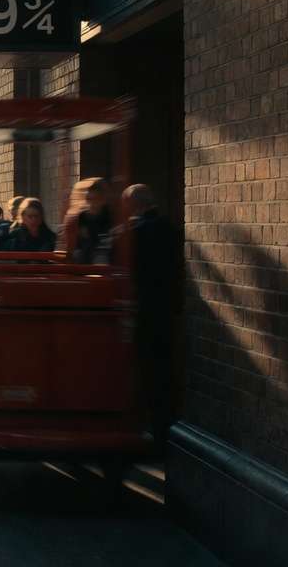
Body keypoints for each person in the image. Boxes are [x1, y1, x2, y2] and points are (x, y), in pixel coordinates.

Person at [122, 184, 180, 445]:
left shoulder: (135, 233)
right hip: (167, 311)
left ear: (134, 205)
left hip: (142, 311)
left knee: (142, 368)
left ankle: (143, 424)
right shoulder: (172, 229)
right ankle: (163, 427)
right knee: (163, 371)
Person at [65, 178, 113, 264]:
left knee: (101, 258)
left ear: (102, 200)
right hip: (85, 251)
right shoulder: (82, 216)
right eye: (89, 199)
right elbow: (79, 242)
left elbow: (105, 239)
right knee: (78, 255)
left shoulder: (108, 216)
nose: (92, 203)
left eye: (96, 199)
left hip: (101, 251)